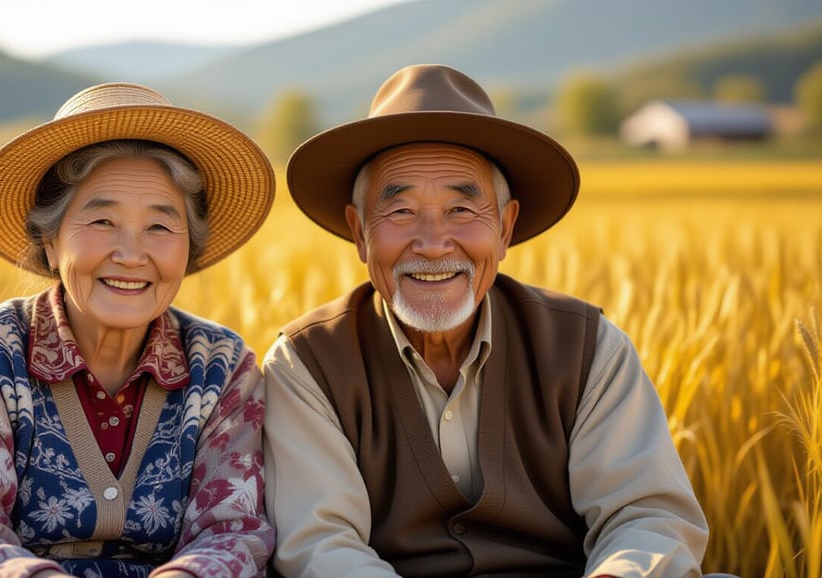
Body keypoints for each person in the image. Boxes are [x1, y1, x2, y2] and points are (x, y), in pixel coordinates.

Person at [263, 64, 712, 577]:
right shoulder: (308, 363)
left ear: (505, 227)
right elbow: (321, 546)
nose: (433, 243)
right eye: (401, 211)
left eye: (461, 210)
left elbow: (646, 516)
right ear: (359, 232)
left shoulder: (585, 348)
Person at [0, 82, 276, 577]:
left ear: (188, 250)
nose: (131, 254)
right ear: (49, 242)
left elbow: (232, 534)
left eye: (159, 227)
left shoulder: (221, 367)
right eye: (102, 221)